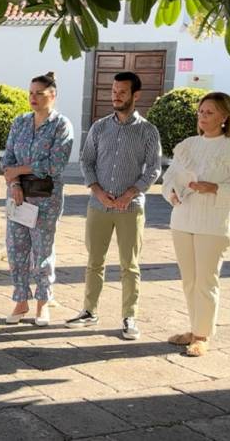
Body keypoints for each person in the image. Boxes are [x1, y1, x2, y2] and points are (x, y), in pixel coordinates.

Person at [66, 71, 161, 339]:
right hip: (98, 206)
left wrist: (129, 194)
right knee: (94, 261)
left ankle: (130, 317)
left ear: (135, 95)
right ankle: (89, 311)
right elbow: (86, 161)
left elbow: (153, 169)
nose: (116, 96)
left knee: (129, 265)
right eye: (114, 91)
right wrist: (97, 191)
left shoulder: (148, 131)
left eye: (122, 92)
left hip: (130, 208)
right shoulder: (99, 127)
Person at [162, 92, 230, 356]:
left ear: (224, 117)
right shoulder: (187, 145)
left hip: (214, 223)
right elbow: (169, 179)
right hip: (183, 219)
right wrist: (171, 193)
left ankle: (202, 336)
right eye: (201, 111)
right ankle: (195, 328)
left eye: (209, 112)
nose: (203, 116)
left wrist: (214, 187)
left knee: (206, 280)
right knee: (189, 280)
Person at [1, 72, 74, 327]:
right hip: (18, 196)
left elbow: (55, 164)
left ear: (52, 95)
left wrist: (20, 170)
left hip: (46, 198)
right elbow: (7, 159)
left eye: (39, 93)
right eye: (30, 93)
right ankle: (21, 300)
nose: (33, 97)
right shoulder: (20, 122)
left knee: (42, 250)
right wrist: (14, 183)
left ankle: (43, 302)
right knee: (16, 249)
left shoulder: (61, 125)